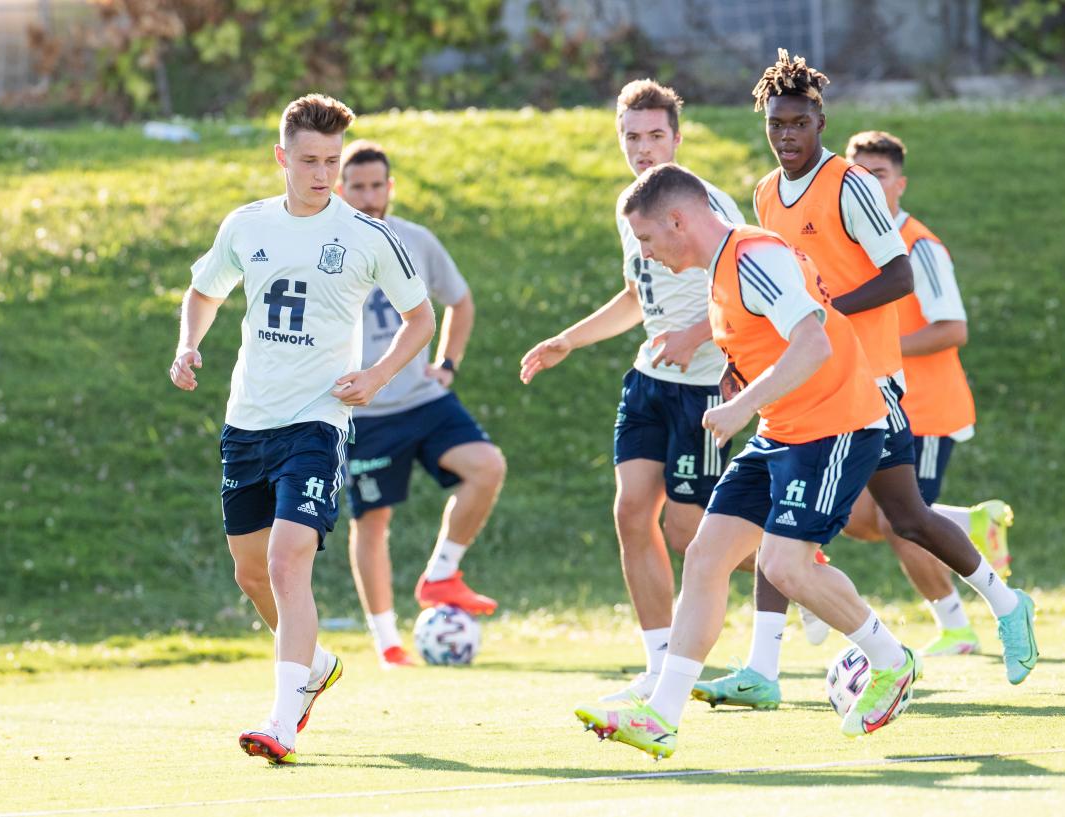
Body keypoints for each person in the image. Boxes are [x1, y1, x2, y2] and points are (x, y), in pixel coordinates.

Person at [696, 52, 1036, 712]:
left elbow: (899, 275)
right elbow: (778, 291)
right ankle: (763, 668)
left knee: (901, 518)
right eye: (776, 124)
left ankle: (1005, 602)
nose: (787, 134)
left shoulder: (850, 185)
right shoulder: (765, 193)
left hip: (870, 383)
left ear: (821, 121)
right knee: (813, 516)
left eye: (799, 122)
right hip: (810, 381)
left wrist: (823, 319)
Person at [574, 163, 920, 759]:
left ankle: (891, 661)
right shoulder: (719, 271)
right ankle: (661, 713)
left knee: (785, 566)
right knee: (706, 554)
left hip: (835, 427)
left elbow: (815, 340)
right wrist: (749, 391)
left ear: (679, 220)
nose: (646, 254)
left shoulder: (754, 257)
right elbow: (771, 346)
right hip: (783, 431)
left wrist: (739, 409)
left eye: (649, 239)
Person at [169, 95, 434, 765]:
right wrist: (188, 344)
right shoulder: (247, 225)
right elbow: (204, 290)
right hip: (246, 421)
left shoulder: (365, 237)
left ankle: (282, 720)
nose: (323, 174)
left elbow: (421, 317)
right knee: (251, 574)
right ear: (282, 157)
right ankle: (312, 663)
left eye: (333, 162)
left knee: (290, 562)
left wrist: (374, 377)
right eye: (310, 161)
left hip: (316, 422)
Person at [519, 80, 745, 702]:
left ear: (678, 136)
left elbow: (748, 294)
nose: (643, 149)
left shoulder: (709, 205)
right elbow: (634, 297)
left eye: (654, 136)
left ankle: (795, 570)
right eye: (631, 137)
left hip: (706, 389)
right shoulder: (632, 205)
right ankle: (658, 663)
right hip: (649, 382)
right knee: (630, 511)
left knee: (689, 529)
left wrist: (695, 336)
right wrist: (568, 340)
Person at [838, 129, 1014, 657]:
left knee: (899, 520)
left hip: (927, 409)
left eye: (881, 175)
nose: (869, 184)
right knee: (853, 517)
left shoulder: (921, 247)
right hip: (873, 404)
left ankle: (957, 627)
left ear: (901, 184)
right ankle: (973, 521)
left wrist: (876, 347)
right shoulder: (846, 243)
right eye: (859, 175)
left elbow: (952, 329)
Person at [336, 140, 505, 668]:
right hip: (362, 413)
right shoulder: (327, 246)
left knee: (487, 466)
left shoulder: (416, 240)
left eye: (376, 186)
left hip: (422, 399)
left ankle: (440, 574)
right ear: (340, 189)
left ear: (390, 187)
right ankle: (388, 642)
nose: (368, 197)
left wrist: (448, 364)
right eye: (357, 187)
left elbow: (459, 300)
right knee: (372, 522)